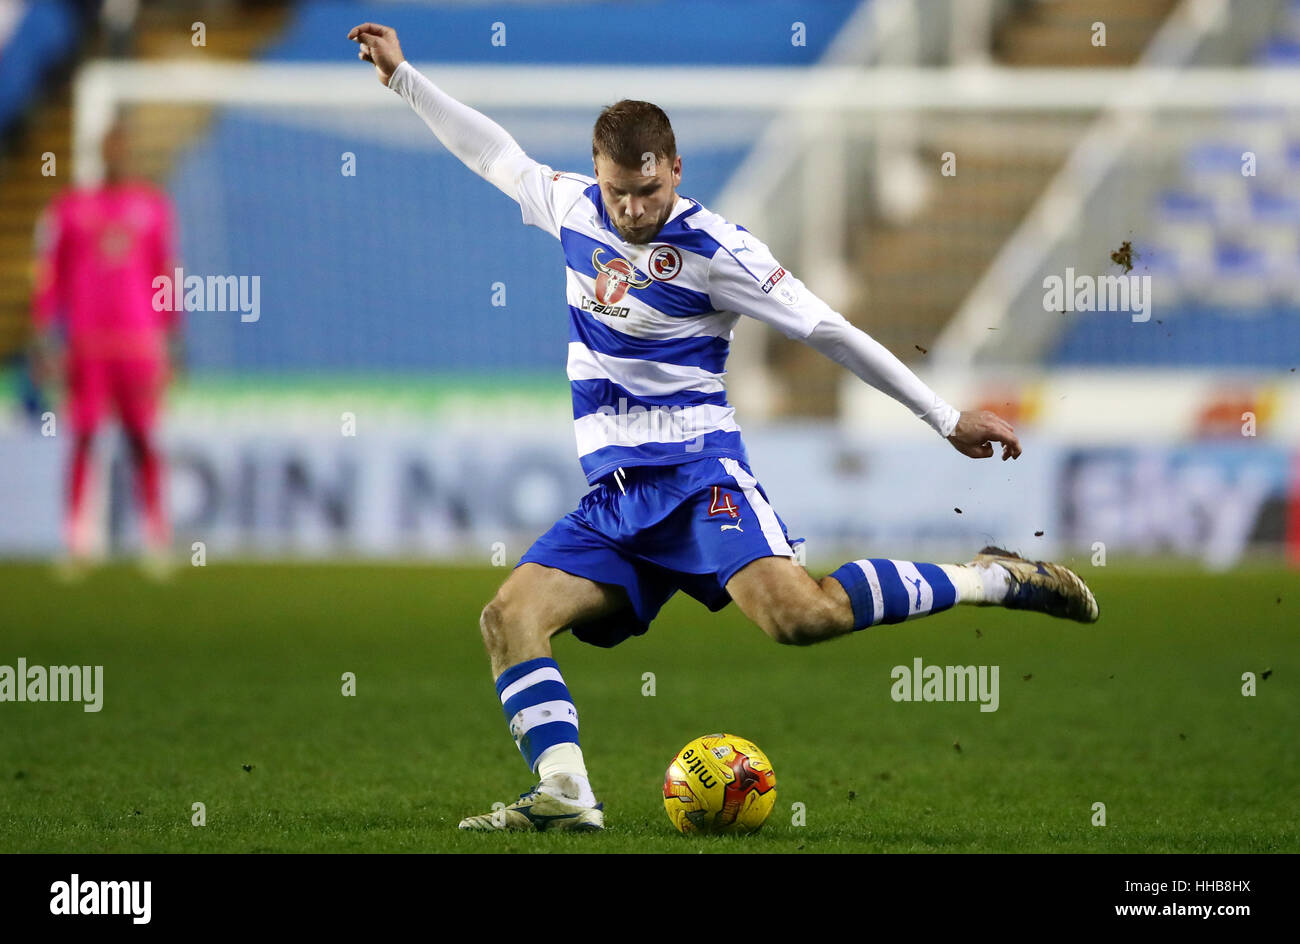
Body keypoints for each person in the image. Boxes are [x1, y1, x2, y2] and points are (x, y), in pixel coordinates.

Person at [348, 22, 1099, 833]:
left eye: (648, 191)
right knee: (507, 618)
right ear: (597, 175)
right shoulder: (571, 206)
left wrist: (946, 418)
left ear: (674, 167)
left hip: (701, 478)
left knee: (799, 620)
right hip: (617, 500)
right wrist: (402, 77)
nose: (633, 211)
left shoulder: (719, 250)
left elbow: (828, 330)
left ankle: (993, 577)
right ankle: (567, 792)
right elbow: (493, 154)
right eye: (618, 193)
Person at [31, 118, 179, 562]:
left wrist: (170, 341)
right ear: (101, 152)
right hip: (88, 343)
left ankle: (156, 537)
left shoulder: (153, 207)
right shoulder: (69, 208)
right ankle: (77, 539)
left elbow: (165, 276)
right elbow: (50, 278)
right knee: (83, 436)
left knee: (143, 438)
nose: (116, 154)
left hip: (137, 345)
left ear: (128, 151)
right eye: (109, 147)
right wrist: (45, 337)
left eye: (122, 146)